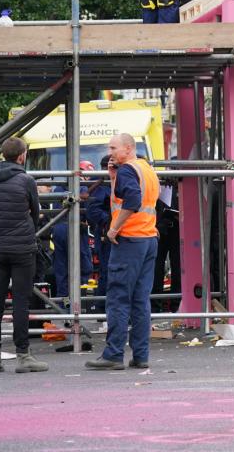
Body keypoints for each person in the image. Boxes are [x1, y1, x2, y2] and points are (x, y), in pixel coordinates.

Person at [87, 133, 159, 370]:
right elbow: (138, 198)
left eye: (114, 148)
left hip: (129, 240)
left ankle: (113, 354)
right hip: (148, 238)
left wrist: (113, 229)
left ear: (128, 148)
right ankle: (140, 355)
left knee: (118, 298)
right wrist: (113, 178)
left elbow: (132, 201)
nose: (110, 152)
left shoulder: (128, 170)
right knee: (140, 300)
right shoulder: (145, 169)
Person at [0, 137, 48, 373]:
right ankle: (23, 356)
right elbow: (35, 212)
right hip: (22, 248)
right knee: (21, 302)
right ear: (22, 156)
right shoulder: (26, 179)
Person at [51, 161, 94, 300]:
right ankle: (78, 300)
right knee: (84, 265)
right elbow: (88, 208)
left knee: (62, 267)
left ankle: (64, 302)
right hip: (74, 228)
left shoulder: (58, 188)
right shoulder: (81, 187)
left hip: (58, 228)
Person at [84, 156, 114, 303]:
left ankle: (105, 305)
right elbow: (93, 210)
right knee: (108, 270)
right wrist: (111, 221)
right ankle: (104, 306)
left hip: (110, 231)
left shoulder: (107, 181)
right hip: (106, 233)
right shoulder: (101, 182)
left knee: (109, 270)